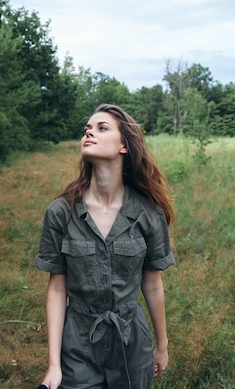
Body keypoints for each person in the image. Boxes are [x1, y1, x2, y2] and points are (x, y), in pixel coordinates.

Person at [35, 104, 176, 389]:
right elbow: (56, 289)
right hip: (78, 341)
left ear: (124, 145)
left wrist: (162, 345)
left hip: (132, 341)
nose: (89, 132)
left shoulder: (149, 213)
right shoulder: (61, 213)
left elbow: (152, 284)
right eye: (87, 128)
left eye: (102, 128)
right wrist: (53, 365)